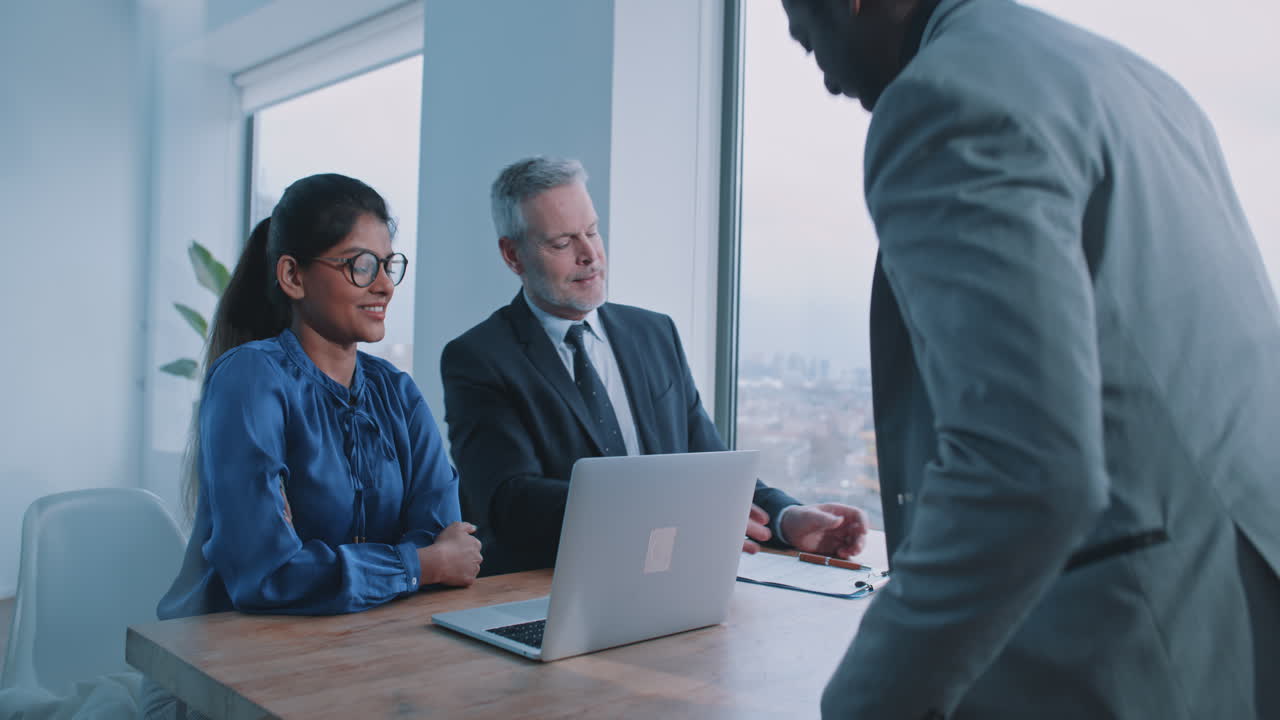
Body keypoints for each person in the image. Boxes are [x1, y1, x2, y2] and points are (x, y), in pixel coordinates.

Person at [780, 0, 1280, 718]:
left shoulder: (947, 98)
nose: (827, 80)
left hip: (1122, 649)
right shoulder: (1135, 82)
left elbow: (1021, 468)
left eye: (810, 39)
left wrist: (865, 703)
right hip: (1233, 615)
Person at [142, 173, 482, 719]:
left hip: (355, 653)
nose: (385, 286)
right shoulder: (250, 378)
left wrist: (416, 562)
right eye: (359, 265)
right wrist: (419, 565)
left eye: (388, 264)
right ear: (293, 276)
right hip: (216, 674)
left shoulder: (397, 391)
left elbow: (444, 536)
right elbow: (268, 574)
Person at [440, 156, 869, 576]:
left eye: (592, 231)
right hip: (549, 590)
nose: (590, 254)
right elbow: (510, 502)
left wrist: (786, 519)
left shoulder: (654, 333)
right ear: (513, 256)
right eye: (562, 242)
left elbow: (710, 466)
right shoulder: (479, 358)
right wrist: (668, 514)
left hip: (668, 578)